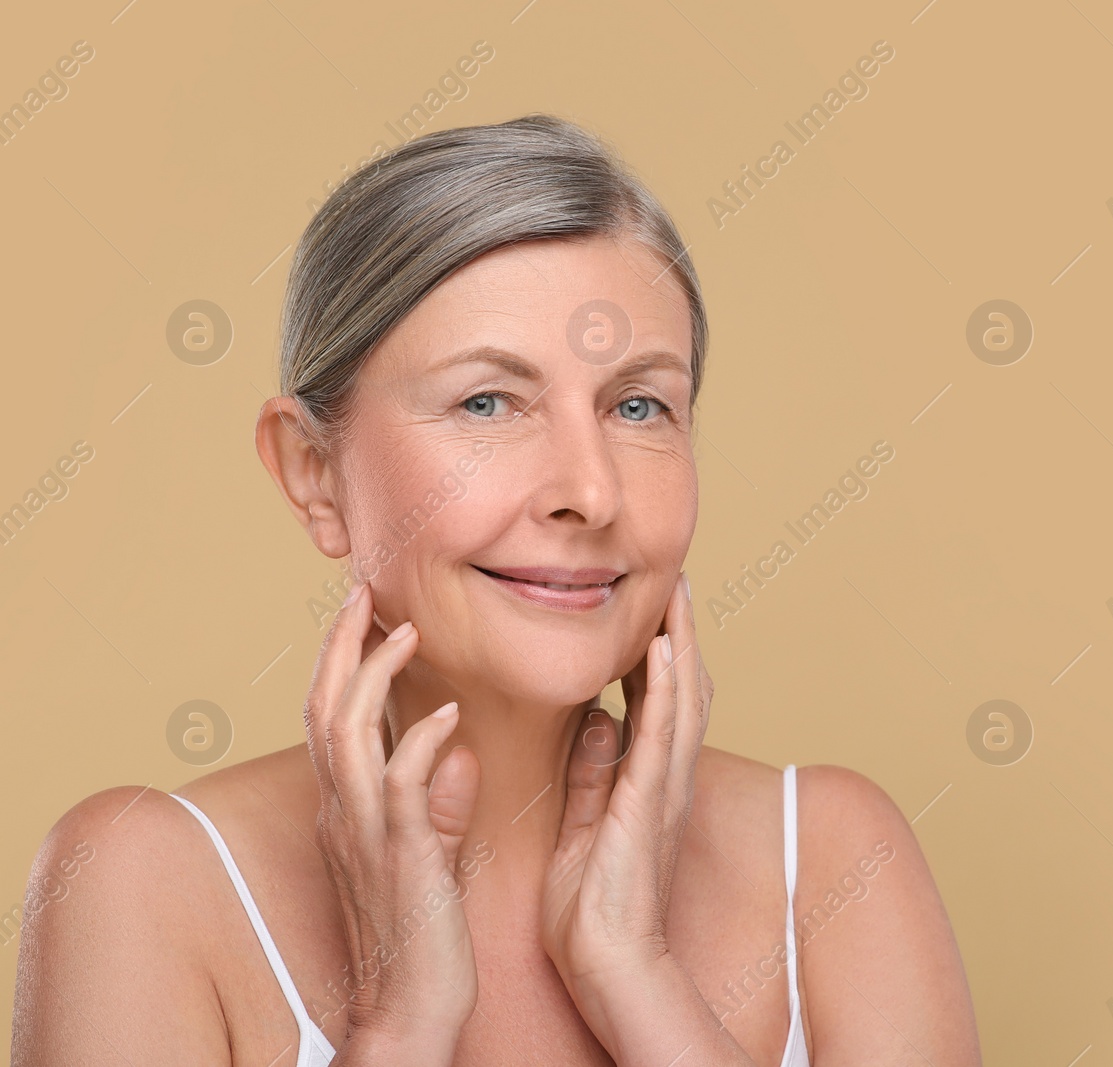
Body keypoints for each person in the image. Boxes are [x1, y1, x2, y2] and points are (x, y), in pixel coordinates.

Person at [11, 114, 981, 1065]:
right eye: (488, 401)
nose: (589, 491)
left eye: (638, 404)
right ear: (312, 470)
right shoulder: (141, 877)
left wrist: (636, 978)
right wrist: (402, 1021)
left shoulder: (834, 857)